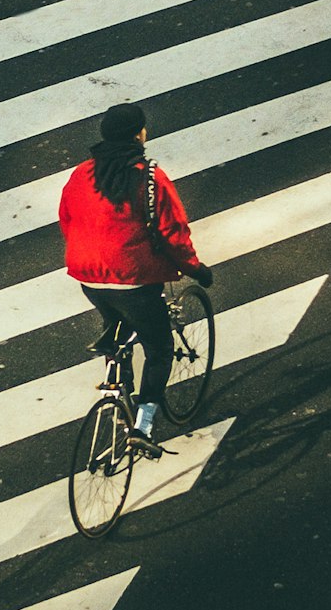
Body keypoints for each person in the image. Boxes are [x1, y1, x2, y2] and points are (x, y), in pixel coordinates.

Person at [58, 103, 214, 458]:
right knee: (158, 349)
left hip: (89, 276)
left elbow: (67, 218)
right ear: (139, 134)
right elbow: (173, 234)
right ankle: (143, 425)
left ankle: (118, 384)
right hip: (135, 280)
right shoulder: (150, 177)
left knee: (117, 323)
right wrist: (196, 270)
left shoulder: (82, 174)